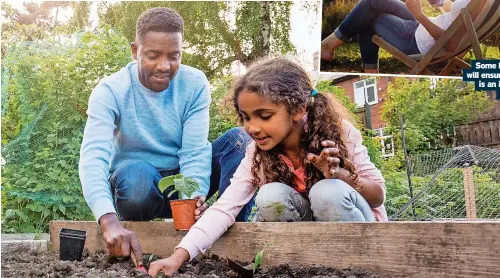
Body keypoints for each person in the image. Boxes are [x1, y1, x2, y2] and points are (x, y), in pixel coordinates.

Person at [147, 57, 387, 277]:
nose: (253, 128)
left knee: (327, 191)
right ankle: (308, 267)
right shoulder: (257, 153)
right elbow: (225, 208)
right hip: (311, 245)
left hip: (362, 239)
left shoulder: (338, 133)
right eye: (247, 117)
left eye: (264, 115)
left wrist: (339, 174)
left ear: (298, 109)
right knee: (271, 196)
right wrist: (178, 256)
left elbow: (377, 197)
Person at [79, 7, 253, 269]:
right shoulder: (110, 90)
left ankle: (235, 236)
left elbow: (194, 151)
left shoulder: (194, 83)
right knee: (136, 179)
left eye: (174, 56)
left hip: (180, 178)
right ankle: (140, 232)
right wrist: (108, 221)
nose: (164, 66)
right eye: (152, 55)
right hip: (137, 182)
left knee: (240, 140)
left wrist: (193, 197)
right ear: (135, 51)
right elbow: (94, 157)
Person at [321, 0, 487, 73]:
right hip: (425, 27)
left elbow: (451, 44)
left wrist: (420, 15)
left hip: (417, 40)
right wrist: (440, 3)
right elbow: (457, 16)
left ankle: (329, 46)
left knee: (368, 15)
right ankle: (370, 69)